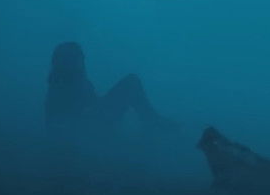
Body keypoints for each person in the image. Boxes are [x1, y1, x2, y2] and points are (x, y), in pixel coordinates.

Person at [44, 41, 176, 141]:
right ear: (66, 60)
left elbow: (92, 102)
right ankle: (152, 122)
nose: (82, 60)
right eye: (77, 57)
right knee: (131, 81)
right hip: (89, 128)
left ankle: (152, 121)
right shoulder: (59, 86)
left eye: (81, 56)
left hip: (94, 121)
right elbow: (56, 120)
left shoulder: (80, 81)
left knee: (131, 81)